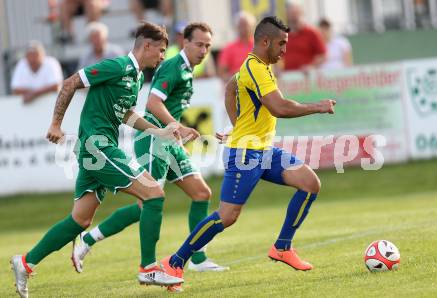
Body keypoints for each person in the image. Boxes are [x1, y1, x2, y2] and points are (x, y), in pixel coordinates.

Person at [158, 16, 336, 289]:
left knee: (310, 183)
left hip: (264, 150)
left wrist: (236, 124)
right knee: (227, 216)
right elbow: (280, 107)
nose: (285, 50)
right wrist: (318, 106)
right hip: (245, 154)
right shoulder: (255, 68)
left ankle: (282, 247)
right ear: (265, 42)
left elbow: (231, 87)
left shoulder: (258, 67)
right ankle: (176, 262)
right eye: (281, 44)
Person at [10, 22, 186, 298]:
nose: (162, 57)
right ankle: (148, 267)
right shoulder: (116, 66)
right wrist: (56, 124)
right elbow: (70, 83)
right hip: (97, 147)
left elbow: (126, 114)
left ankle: (25, 263)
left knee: (80, 220)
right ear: (147, 46)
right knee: (153, 193)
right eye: (161, 51)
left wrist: (158, 130)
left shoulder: (137, 77)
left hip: (99, 150)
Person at [71, 22, 228, 293]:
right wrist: (174, 127)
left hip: (170, 141)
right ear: (185, 42)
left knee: (201, 193)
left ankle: (198, 259)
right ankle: (90, 239)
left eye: (208, 46)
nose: (204, 51)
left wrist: (176, 130)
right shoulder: (172, 66)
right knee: (149, 200)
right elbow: (153, 104)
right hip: (154, 140)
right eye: (199, 44)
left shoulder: (188, 69)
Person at [283, 2, 326, 72]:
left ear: (302, 14)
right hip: (286, 78)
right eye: (292, 13)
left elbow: (322, 55)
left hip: (306, 79)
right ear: (287, 15)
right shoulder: (281, 34)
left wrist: (311, 66)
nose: (294, 16)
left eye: (296, 13)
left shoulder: (312, 32)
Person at [217, 11, 256, 82]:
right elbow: (221, 73)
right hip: (237, 87)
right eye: (242, 25)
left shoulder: (260, 46)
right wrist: (239, 74)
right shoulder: (228, 48)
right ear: (236, 27)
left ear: (252, 27)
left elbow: (273, 68)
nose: (245, 28)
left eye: (247, 25)